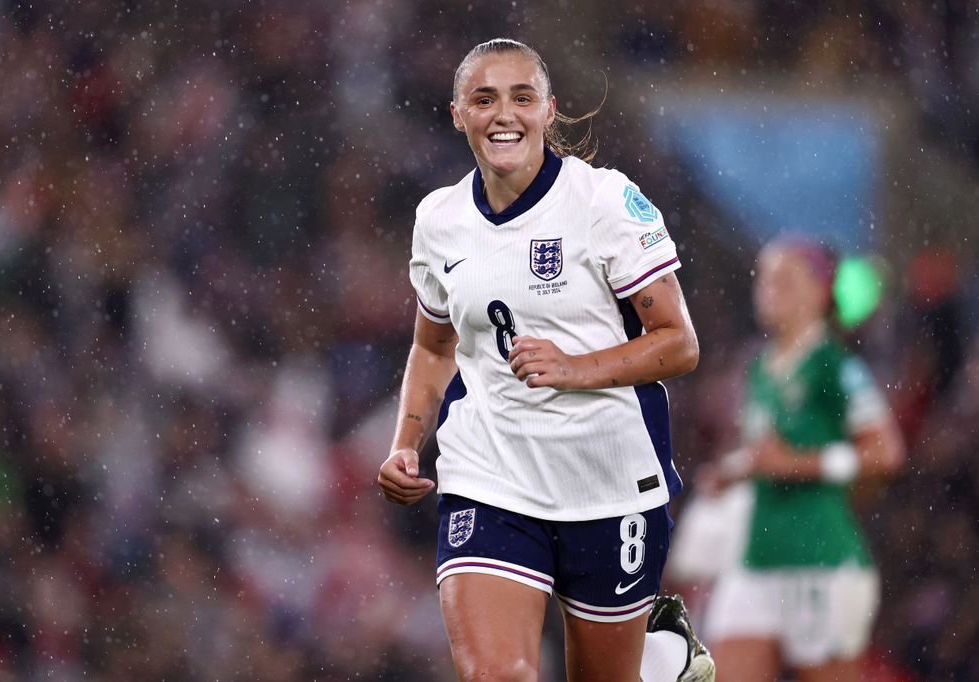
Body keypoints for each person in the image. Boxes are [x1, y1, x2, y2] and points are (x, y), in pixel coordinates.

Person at [376, 38, 714, 682]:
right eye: (484, 99)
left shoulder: (604, 202)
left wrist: (575, 367)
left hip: (609, 481)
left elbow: (679, 342)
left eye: (522, 98)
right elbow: (432, 343)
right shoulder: (439, 219)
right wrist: (407, 442)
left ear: (549, 110)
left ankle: (659, 660)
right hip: (490, 477)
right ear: (457, 114)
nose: (504, 115)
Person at [699, 237, 906, 681]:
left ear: (818, 291)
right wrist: (732, 473)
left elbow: (886, 452)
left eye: (785, 279)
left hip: (823, 562)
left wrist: (798, 464)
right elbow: (765, 455)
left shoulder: (834, 364)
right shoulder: (759, 368)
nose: (769, 289)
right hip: (757, 559)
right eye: (765, 278)